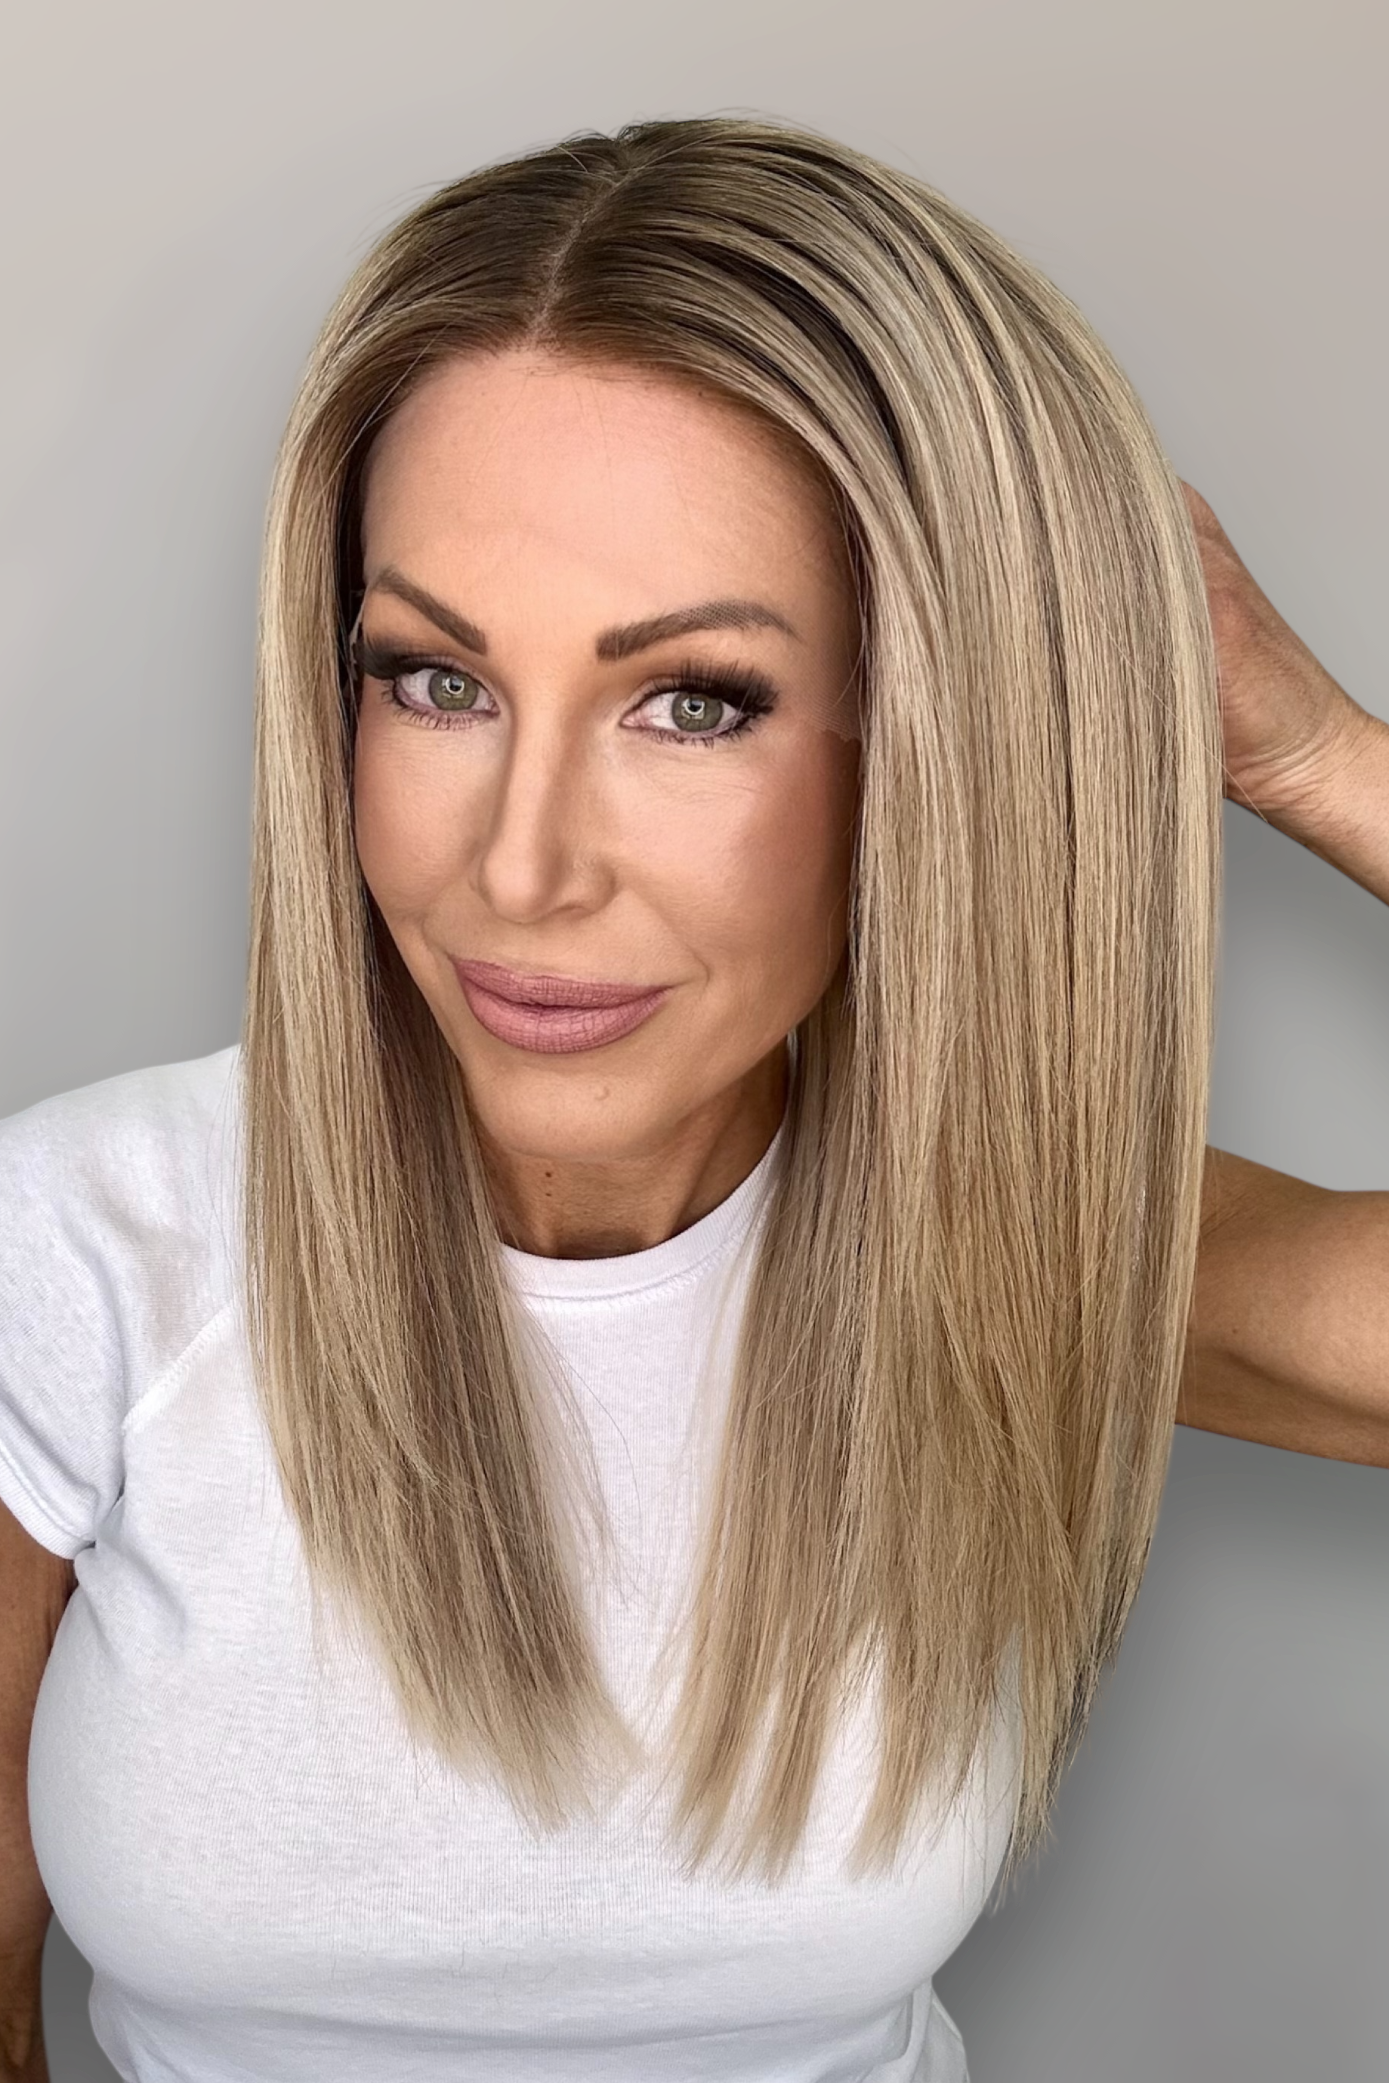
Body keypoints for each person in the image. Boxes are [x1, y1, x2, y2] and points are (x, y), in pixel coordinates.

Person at [0, 115, 1384, 2083]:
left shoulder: (1007, 1244)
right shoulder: (74, 1248)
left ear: (940, 737)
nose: (521, 869)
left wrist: (1315, 752)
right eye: (436, 680)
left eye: (694, 703)